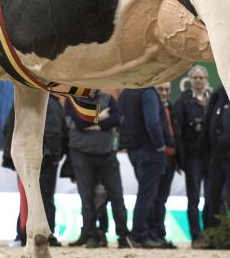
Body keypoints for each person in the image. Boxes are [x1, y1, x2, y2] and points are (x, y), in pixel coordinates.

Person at [64, 90, 134, 248]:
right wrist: (100, 117)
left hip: (107, 154)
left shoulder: (108, 97)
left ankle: (123, 236)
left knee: (117, 196)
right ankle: (91, 236)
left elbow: (117, 119)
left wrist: (89, 122)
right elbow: (75, 122)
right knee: (86, 198)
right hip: (80, 153)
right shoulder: (72, 99)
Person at [2, 93, 65, 247]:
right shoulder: (51, 103)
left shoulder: (21, 100)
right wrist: (55, 155)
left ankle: (22, 234)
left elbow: (7, 128)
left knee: (27, 197)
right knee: (45, 198)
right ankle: (46, 234)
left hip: (23, 157)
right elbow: (54, 131)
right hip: (46, 159)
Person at [118, 86, 173, 248]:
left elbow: (119, 120)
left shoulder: (125, 93)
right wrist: (160, 145)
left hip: (132, 149)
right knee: (147, 195)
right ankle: (140, 234)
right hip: (149, 149)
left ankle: (147, 233)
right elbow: (152, 123)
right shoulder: (148, 92)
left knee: (146, 193)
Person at [172, 65, 211, 245]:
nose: (198, 81)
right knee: (194, 198)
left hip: (211, 157)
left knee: (212, 196)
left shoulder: (213, 99)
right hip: (192, 157)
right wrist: (181, 158)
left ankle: (212, 233)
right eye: (195, 78)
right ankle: (196, 236)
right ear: (190, 81)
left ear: (206, 80)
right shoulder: (183, 101)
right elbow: (177, 131)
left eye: (201, 78)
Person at [200, 86, 230, 231]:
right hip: (216, 157)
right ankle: (213, 231)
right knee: (212, 196)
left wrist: (225, 140)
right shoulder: (218, 94)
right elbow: (209, 123)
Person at [149, 82, 177, 247]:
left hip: (171, 160)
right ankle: (151, 233)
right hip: (156, 156)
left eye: (167, 89)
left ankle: (160, 233)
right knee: (152, 198)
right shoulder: (151, 107)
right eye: (161, 89)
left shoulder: (171, 107)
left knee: (162, 200)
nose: (164, 92)